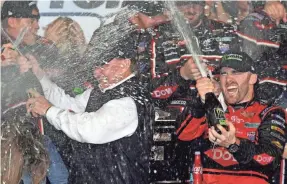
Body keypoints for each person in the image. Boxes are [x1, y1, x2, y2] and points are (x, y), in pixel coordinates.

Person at [25, 39, 154, 183]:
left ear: (124, 64)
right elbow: (67, 104)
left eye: (103, 65)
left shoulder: (129, 100)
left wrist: (48, 109)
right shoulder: (99, 92)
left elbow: (90, 129)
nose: (96, 72)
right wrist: (40, 75)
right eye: (95, 66)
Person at [177, 52, 286, 184]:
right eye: (223, 73)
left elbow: (269, 158)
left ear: (252, 78)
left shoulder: (269, 112)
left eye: (236, 72)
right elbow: (182, 136)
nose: (228, 79)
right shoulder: (210, 107)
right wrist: (201, 101)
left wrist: (233, 144)